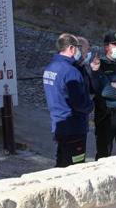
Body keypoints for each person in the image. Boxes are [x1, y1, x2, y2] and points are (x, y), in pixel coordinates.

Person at [43, 33, 93, 167]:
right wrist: (91, 105)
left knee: (61, 163)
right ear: (71, 48)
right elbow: (79, 102)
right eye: (77, 48)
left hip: (59, 124)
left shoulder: (50, 68)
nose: (79, 51)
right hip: (74, 127)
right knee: (75, 167)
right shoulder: (71, 71)